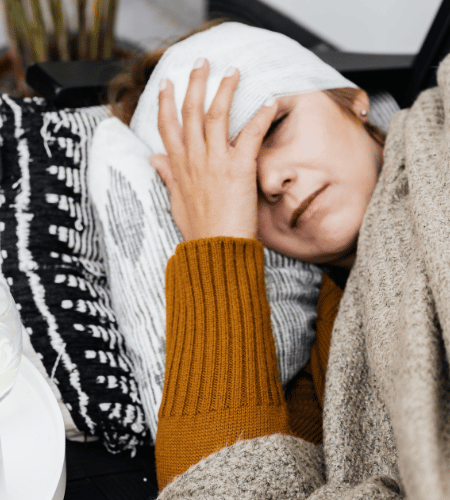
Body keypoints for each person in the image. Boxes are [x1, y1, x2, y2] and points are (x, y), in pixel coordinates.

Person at [107, 20, 387, 489]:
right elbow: (217, 487)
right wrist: (215, 246)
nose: (271, 181)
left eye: (274, 125)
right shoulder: (322, 379)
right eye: (230, 185)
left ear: (350, 98)